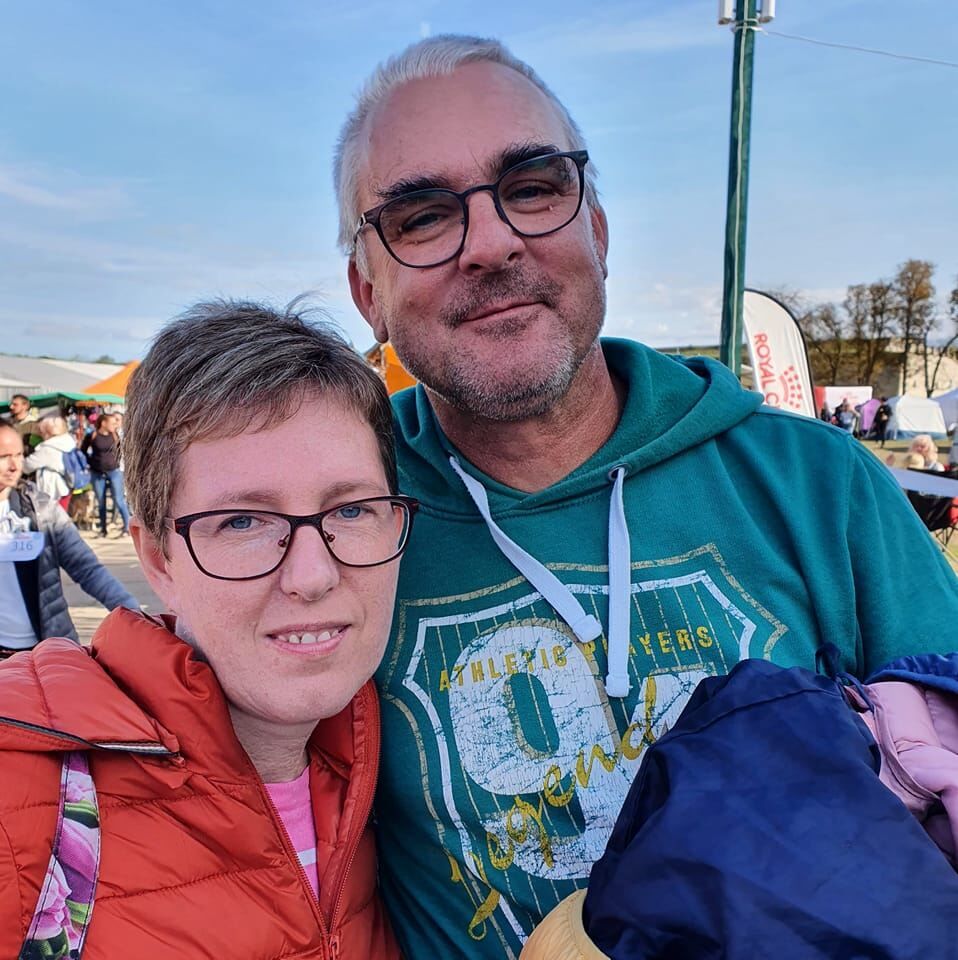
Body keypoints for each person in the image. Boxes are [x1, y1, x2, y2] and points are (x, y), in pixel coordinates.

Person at [335, 34, 958, 957]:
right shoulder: (334, 516)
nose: (493, 243)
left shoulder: (820, 485)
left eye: (532, 187)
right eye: (423, 216)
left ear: (596, 228)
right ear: (368, 293)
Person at [0, 300, 408, 957]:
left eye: (353, 510)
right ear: (158, 560)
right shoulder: (24, 795)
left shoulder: (394, 776)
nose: (312, 575)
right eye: (242, 521)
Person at [0, 421, 136, 657]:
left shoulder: (40, 508)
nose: (14, 466)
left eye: (19, 455)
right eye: (4, 457)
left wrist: (134, 613)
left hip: (48, 652)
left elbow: (87, 568)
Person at [81, 410, 132, 536]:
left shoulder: (115, 435)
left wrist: (116, 462)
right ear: (103, 423)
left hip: (114, 471)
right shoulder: (92, 435)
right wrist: (91, 462)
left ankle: (127, 527)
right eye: (112, 423)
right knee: (101, 501)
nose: (115, 425)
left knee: (119, 499)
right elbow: (82, 451)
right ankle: (103, 529)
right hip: (97, 472)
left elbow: (121, 450)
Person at [22, 413, 78, 509]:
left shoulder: (48, 449)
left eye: (41, 432)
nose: (39, 434)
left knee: (53, 517)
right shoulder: (67, 442)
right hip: (64, 487)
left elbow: (26, 466)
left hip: (53, 492)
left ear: (47, 432)